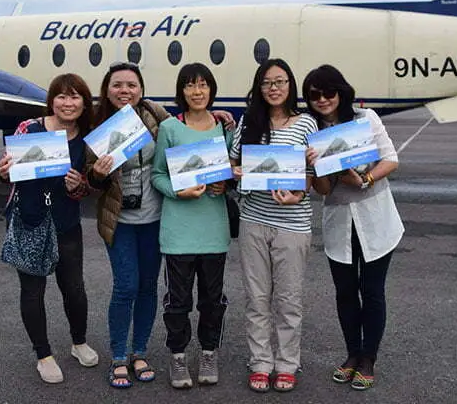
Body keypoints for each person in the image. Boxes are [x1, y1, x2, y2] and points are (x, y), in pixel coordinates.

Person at [0, 73, 100, 384]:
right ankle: (44, 355)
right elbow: (7, 170)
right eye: (62, 96)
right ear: (52, 100)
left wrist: (79, 185)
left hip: (66, 223)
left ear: (84, 102)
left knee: (75, 290)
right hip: (30, 219)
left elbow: (86, 188)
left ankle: (78, 342)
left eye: (75, 96)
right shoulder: (30, 128)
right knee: (33, 291)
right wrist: (0, 172)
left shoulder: (87, 138)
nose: (68, 103)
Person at [303, 64, 403, 391]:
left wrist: (364, 180)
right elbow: (322, 190)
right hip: (339, 221)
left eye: (328, 92)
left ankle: (368, 359)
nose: (322, 100)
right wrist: (313, 166)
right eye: (314, 95)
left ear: (340, 91)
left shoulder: (366, 119)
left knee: (372, 292)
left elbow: (391, 159)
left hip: (375, 218)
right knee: (346, 293)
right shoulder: (312, 133)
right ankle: (351, 354)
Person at [229, 58, 318, 393]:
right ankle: (261, 362)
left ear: (290, 85)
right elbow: (233, 162)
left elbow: (312, 175)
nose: (274, 88)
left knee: (289, 299)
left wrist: (300, 194)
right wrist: (235, 172)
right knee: (257, 298)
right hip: (253, 220)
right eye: (267, 83)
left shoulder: (306, 123)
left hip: (293, 224)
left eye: (280, 81)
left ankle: (287, 363)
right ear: (258, 88)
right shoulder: (249, 122)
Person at [86, 62, 171, 389]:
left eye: (132, 85)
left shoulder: (153, 112)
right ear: (107, 89)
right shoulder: (99, 122)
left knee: (148, 286)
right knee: (126, 286)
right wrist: (99, 173)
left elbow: (186, 132)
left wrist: (217, 119)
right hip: (118, 219)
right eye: (118, 85)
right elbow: (90, 177)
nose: (125, 91)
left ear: (141, 89)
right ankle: (119, 355)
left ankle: (140, 352)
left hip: (154, 218)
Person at [151, 63, 232, 389]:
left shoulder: (224, 127)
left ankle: (210, 352)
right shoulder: (170, 128)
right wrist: (176, 190)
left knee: (213, 300)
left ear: (211, 89)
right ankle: (178, 356)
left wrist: (225, 184)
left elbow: (233, 169)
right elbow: (157, 174)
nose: (197, 92)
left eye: (202, 85)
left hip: (214, 230)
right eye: (190, 86)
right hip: (179, 232)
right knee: (178, 301)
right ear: (181, 91)